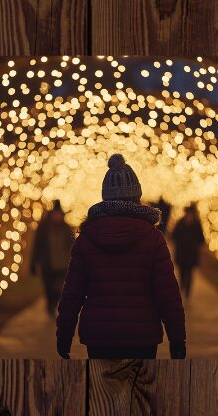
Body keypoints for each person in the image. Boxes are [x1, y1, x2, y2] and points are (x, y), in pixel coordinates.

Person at [56, 154, 186, 359]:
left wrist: (64, 334)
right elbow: (167, 293)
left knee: (101, 390)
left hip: (100, 336)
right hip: (142, 335)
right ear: (137, 195)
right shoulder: (153, 238)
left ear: (105, 196)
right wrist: (177, 339)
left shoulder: (87, 238)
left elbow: (73, 293)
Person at [31, 200, 74, 316]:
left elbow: (72, 246)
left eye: (59, 214)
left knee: (59, 290)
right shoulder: (44, 228)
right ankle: (50, 305)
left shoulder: (66, 228)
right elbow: (37, 245)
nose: (57, 216)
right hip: (47, 265)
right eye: (56, 214)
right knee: (48, 288)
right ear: (52, 214)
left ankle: (53, 304)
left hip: (62, 266)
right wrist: (33, 263)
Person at [171, 204, 205, 298]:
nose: (189, 216)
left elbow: (201, 239)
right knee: (182, 272)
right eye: (188, 214)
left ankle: (187, 292)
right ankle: (182, 287)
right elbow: (174, 236)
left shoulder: (197, 224)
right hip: (182, 254)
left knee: (189, 274)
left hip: (191, 255)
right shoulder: (180, 223)